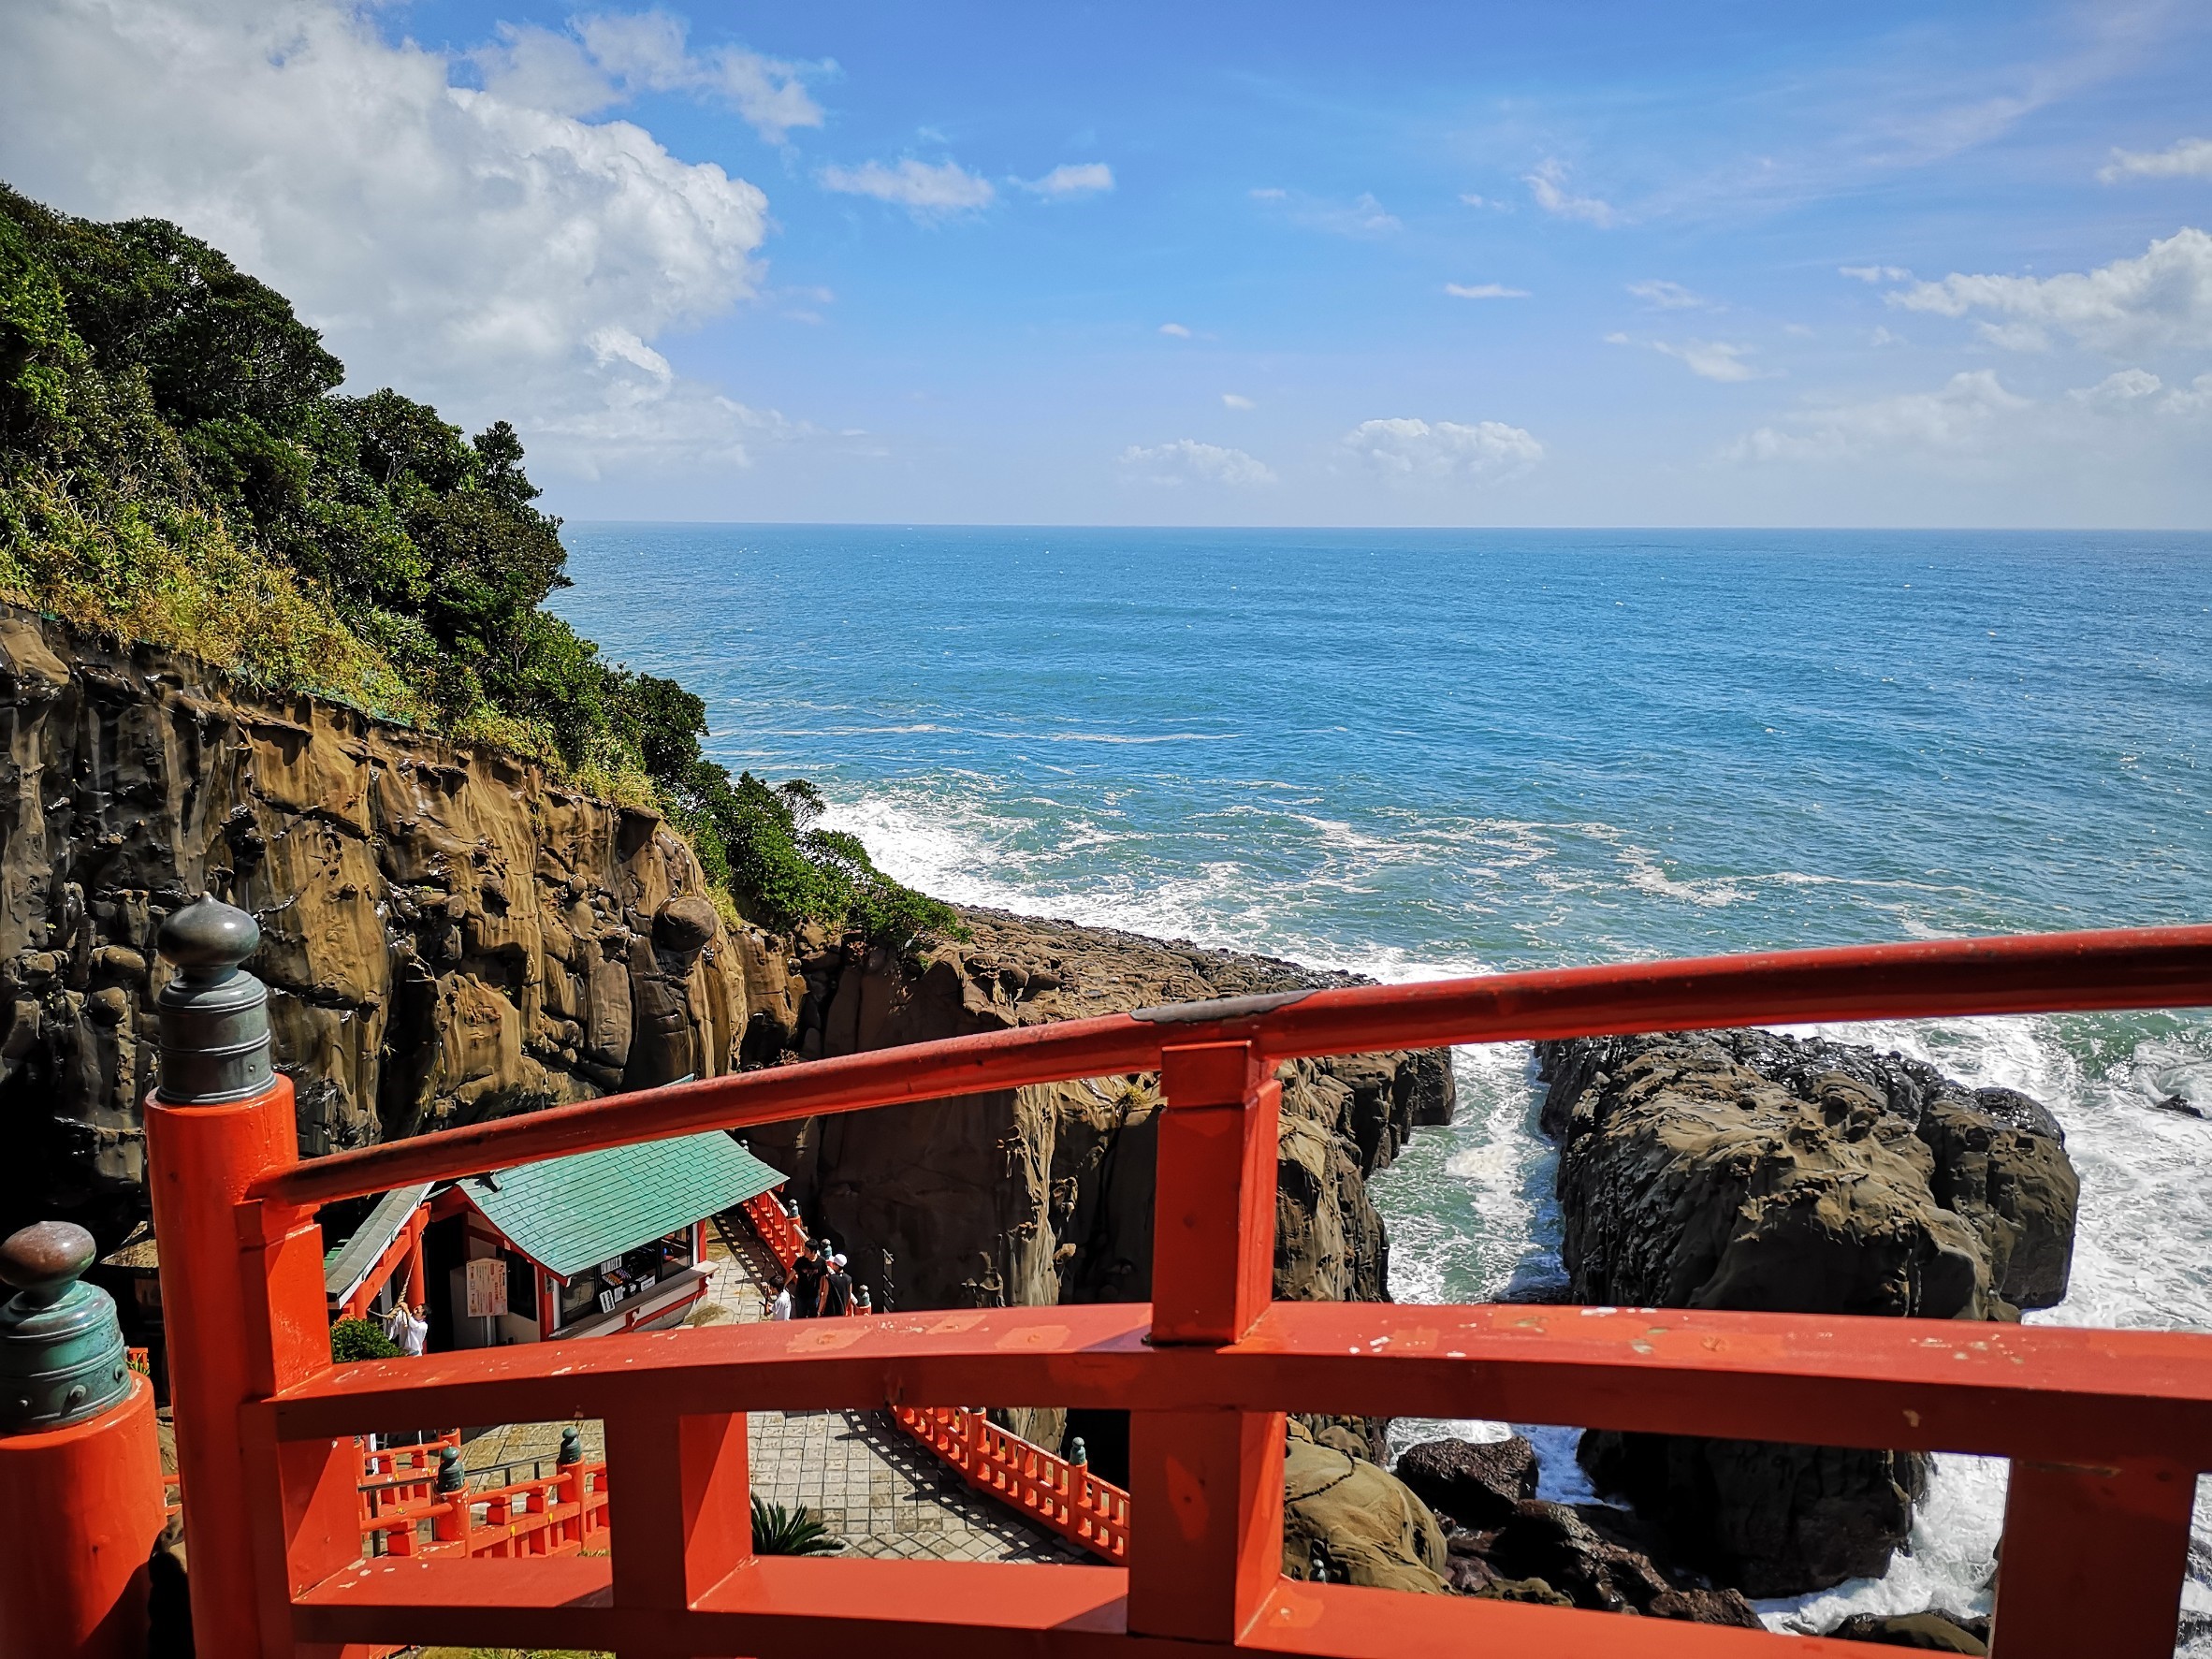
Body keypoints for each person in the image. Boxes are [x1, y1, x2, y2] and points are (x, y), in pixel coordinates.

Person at [789, 1239, 825, 1321]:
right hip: (800, 1293)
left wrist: (822, 1291)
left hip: (814, 1294)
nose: (804, 1251)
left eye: (807, 1250)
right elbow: (793, 1272)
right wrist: (784, 1284)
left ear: (813, 1252)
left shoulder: (821, 1262)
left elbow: (823, 1277)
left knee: (813, 1316)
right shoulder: (800, 1261)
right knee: (800, 1316)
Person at [819, 1253, 853, 1317]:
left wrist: (819, 1312)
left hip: (830, 1312)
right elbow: (849, 1296)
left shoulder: (830, 1278)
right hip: (842, 1312)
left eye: (833, 1263)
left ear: (837, 1265)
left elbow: (824, 1296)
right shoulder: (849, 1279)